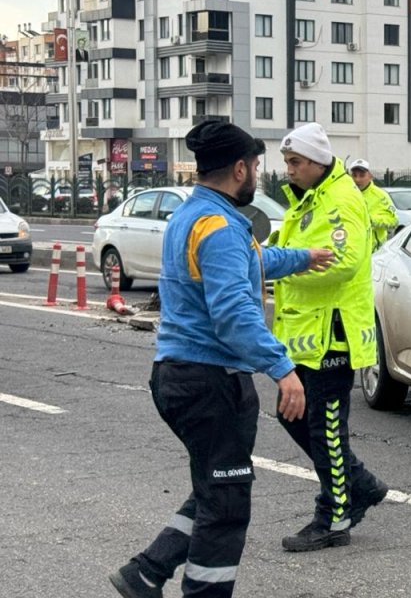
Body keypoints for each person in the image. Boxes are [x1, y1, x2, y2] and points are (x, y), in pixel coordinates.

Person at [109, 120, 332, 598]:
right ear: (238, 169)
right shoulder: (220, 228)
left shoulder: (196, 217)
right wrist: (283, 368)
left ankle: (145, 573)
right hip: (209, 382)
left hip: (179, 375)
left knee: (215, 488)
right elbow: (233, 314)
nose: (257, 174)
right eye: (255, 166)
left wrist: (302, 257)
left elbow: (249, 263)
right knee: (227, 503)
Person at [273, 123, 389, 553]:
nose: (289, 171)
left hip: (332, 335)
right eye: (287, 162)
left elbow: (340, 261)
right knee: (293, 415)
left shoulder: (341, 199)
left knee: (325, 429)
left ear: (319, 163)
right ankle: (359, 483)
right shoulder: (310, 198)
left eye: (296, 162)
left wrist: (282, 264)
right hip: (308, 334)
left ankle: (334, 515)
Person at [348, 159, 398, 250]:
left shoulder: (380, 196)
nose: (357, 179)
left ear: (370, 176)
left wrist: (370, 220)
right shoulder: (346, 194)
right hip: (352, 250)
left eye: (362, 175)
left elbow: (394, 221)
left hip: (374, 252)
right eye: (354, 175)